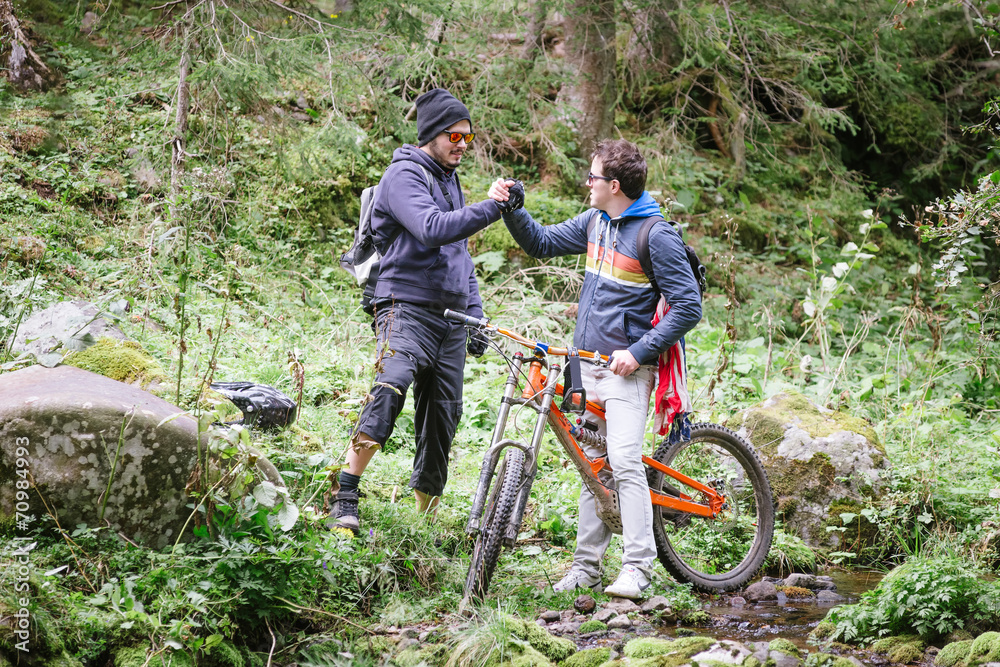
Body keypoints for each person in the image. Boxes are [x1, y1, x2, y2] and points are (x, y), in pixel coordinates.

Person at [487, 139, 702, 599]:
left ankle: (638, 570)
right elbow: (541, 243)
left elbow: (688, 307)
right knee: (594, 467)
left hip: (628, 370)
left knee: (623, 461)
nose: (587, 183)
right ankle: (586, 569)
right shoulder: (595, 222)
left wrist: (640, 351)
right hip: (587, 367)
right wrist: (512, 208)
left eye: (593, 177)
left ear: (615, 185)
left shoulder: (655, 235)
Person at [328, 88, 510, 535]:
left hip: (451, 319)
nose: (463, 145)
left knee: (442, 415)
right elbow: (431, 229)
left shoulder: (449, 177)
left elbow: (460, 255)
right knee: (390, 386)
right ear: (431, 133)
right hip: (404, 307)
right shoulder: (403, 175)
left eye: (469, 137)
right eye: (455, 136)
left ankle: (423, 521)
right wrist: (493, 208)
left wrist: (476, 314)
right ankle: (345, 493)